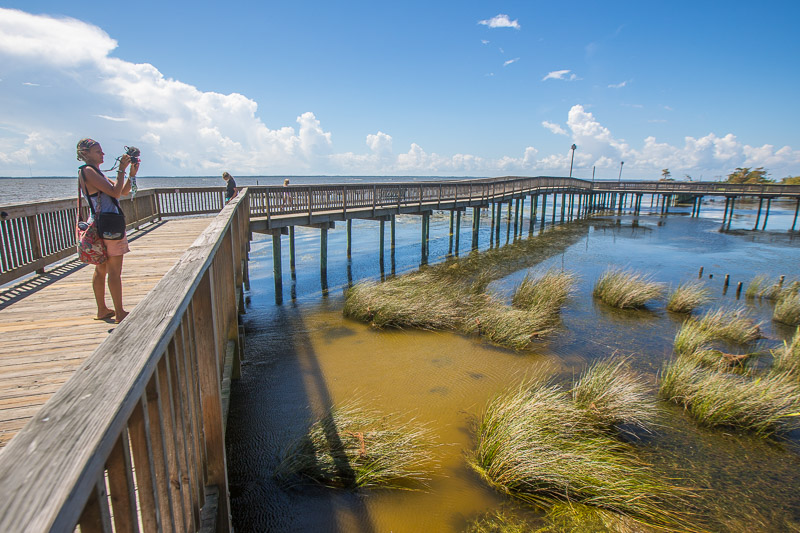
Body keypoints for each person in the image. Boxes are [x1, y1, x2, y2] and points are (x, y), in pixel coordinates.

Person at [77, 138, 136, 323]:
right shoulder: (87, 171)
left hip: (100, 225)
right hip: (108, 226)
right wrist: (121, 169)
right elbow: (115, 193)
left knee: (101, 268)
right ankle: (119, 312)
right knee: (113, 271)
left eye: (101, 151)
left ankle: (102, 309)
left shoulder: (95, 172)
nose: (102, 154)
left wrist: (131, 174)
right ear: (85, 153)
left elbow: (123, 190)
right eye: (97, 151)